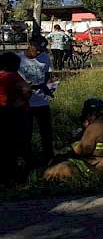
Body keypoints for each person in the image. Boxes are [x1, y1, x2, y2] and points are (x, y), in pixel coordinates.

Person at [43, 98, 103, 182]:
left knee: (58, 169)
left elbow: (80, 150)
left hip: (99, 169)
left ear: (91, 114)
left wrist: (69, 145)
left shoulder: (93, 128)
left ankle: (42, 182)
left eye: (87, 115)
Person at [17, 36, 55, 167]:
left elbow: (47, 76)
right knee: (25, 133)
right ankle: (26, 160)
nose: (38, 52)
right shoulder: (18, 59)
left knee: (46, 132)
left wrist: (50, 88)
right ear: (30, 44)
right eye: (36, 49)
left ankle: (49, 158)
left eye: (41, 50)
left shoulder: (45, 58)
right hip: (25, 103)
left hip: (42, 101)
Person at [0, 52, 32, 185]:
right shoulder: (13, 76)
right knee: (17, 145)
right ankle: (17, 176)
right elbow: (27, 90)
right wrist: (22, 102)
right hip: (14, 113)